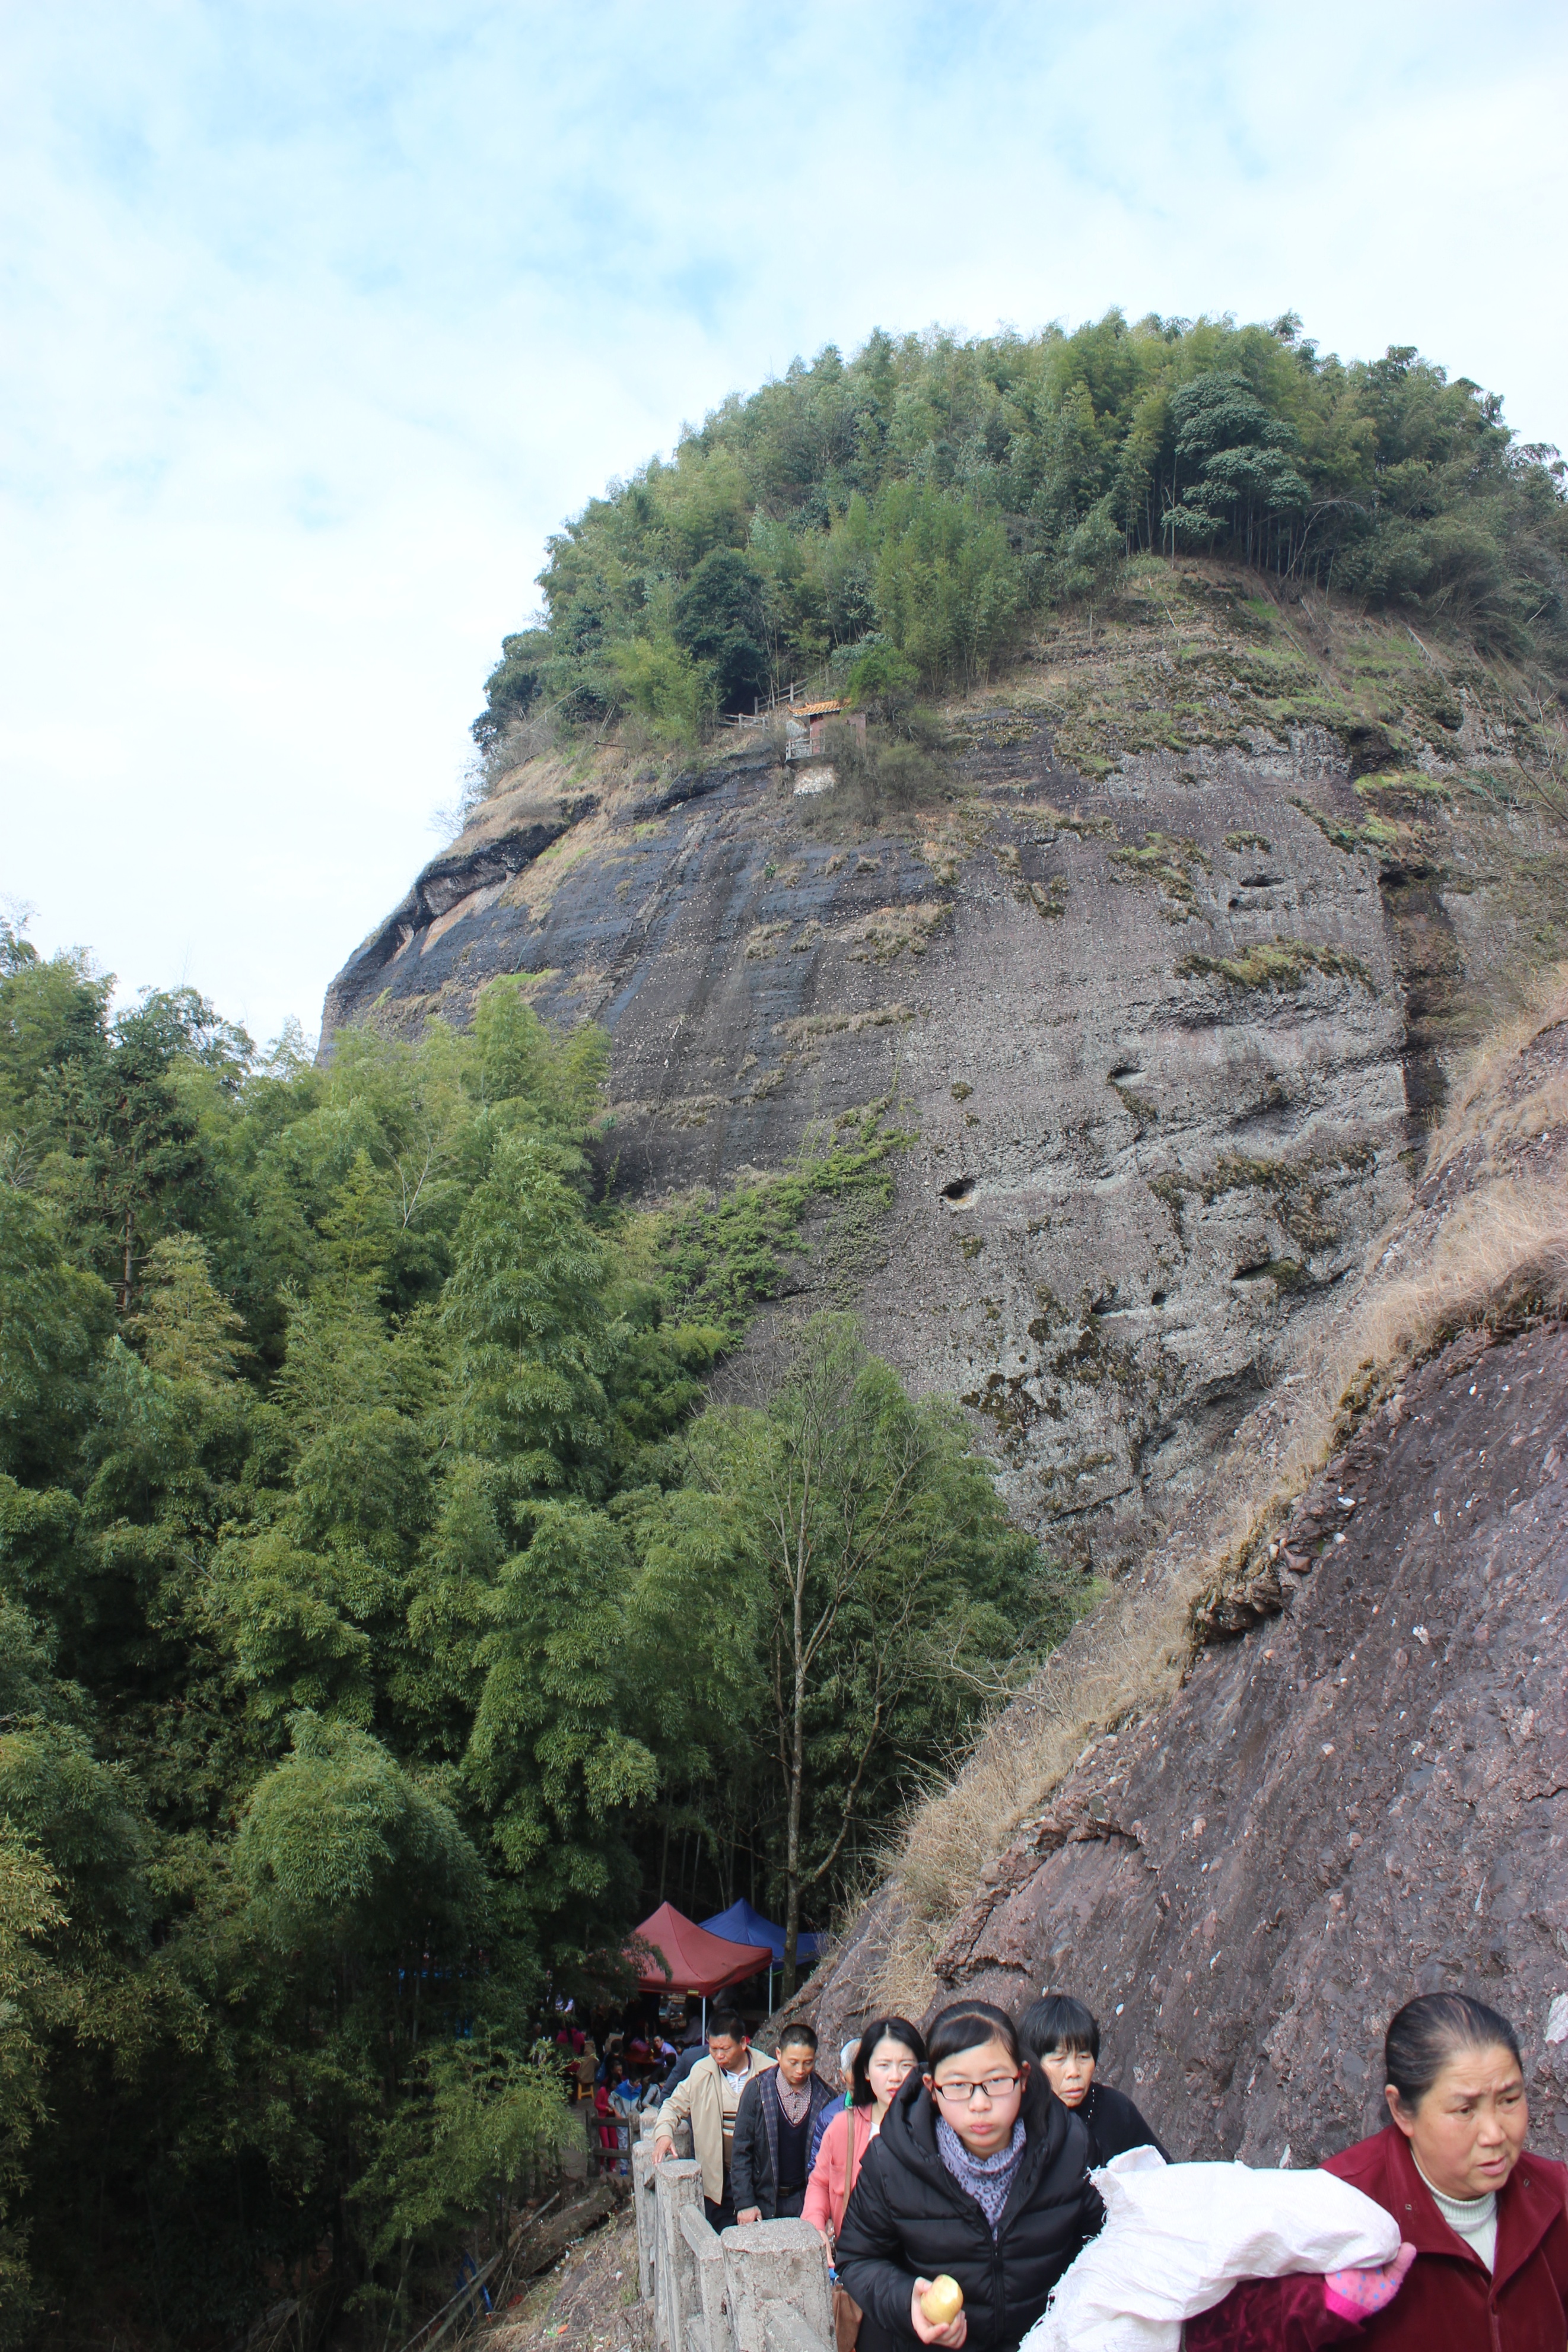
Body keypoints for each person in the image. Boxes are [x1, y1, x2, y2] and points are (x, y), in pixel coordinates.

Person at [1187, 1992, 1568, 2351]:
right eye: (1465, 2110)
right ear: (1402, 2111)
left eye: (1509, 2099)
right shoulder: (1340, 2207)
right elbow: (1215, 2338)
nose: (1494, 2133)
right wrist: (1325, 2305)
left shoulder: (1555, 2197)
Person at [834, 1998, 1101, 2352]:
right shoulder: (892, 2163)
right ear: (932, 2088)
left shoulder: (1070, 2148)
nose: (979, 2104)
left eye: (996, 2081)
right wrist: (906, 2303)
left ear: (1022, 2078)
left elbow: (1104, 2240)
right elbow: (857, 2258)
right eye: (958, 2086)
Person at [653, 2008, 775, 2231]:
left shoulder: (769, 2071)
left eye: (725, 2049)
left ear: (743, 2044)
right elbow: (672, 2105)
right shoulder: (702, 2071)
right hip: (718, 2179)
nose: (718, 2056)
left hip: (759, 2174)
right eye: (713, 2049)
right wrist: (663, 2133)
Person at [1017, 1994, 1170, 2166]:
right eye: (1059, 2059)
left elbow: (1163, 2173)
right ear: (1031, 2065)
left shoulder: (1116, 2110)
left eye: (1083, 2057)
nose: (1074, 2072)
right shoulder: (1015, 2117)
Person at [733, 2022, 839, 2222]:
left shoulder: (826, 2097)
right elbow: (741, 2151)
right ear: (779, 2054)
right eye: (793, 2062)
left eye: (808, 2062)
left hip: (806, 2198)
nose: (800, 2070)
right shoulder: (757, 2091)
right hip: (763, 2200)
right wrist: (745, 2203)